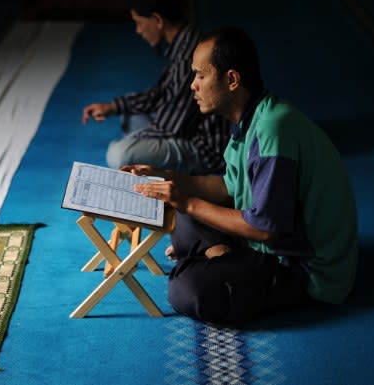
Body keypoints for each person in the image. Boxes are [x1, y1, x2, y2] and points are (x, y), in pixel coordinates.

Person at [126, 26, 358, 326]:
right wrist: (166, 176)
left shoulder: (274, 128)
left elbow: (264, 230)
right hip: (267, 243)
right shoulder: (249, 119)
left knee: (187, 290)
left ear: (232, 80)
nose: (192, 85)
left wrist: (188, 203)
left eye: (200, 75)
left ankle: (217, 258)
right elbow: (227, 187)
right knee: (183, 216)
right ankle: (220, 256)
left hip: (302, 270)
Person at [81, 0, 227, 175]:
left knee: (118, 155)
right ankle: (141, 152)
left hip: (203, 148)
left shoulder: (187, 59)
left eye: (140, 23)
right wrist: (114, 106)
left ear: (158, 20)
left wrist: (132, 141)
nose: (138, 31)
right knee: (130, 113)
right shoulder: (187, 37)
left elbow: (170, 127)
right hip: (183, 126)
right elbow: (161, 95)